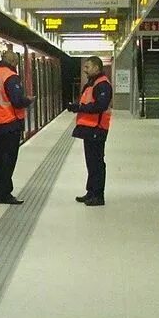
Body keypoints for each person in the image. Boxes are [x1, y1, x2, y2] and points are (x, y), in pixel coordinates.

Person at [0, 49, 32, 204]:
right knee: (7, 161)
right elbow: (17, 101)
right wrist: (28, 100)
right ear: (13, 62)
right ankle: (5, 194)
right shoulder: (10, 77)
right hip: (10, 123)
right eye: (16, 63)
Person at [66, 55, 113, 206]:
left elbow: (100, 106)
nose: (85, 70)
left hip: (97, 129)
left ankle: (98, 196)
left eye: (88, 67)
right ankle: (91, 192)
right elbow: (87, 103)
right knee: (90, 162)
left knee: (97, 163)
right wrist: (76, 106)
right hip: (89, 128)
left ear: (97, 68)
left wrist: (79, 108)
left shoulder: (103, 85)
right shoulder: (91, 84)